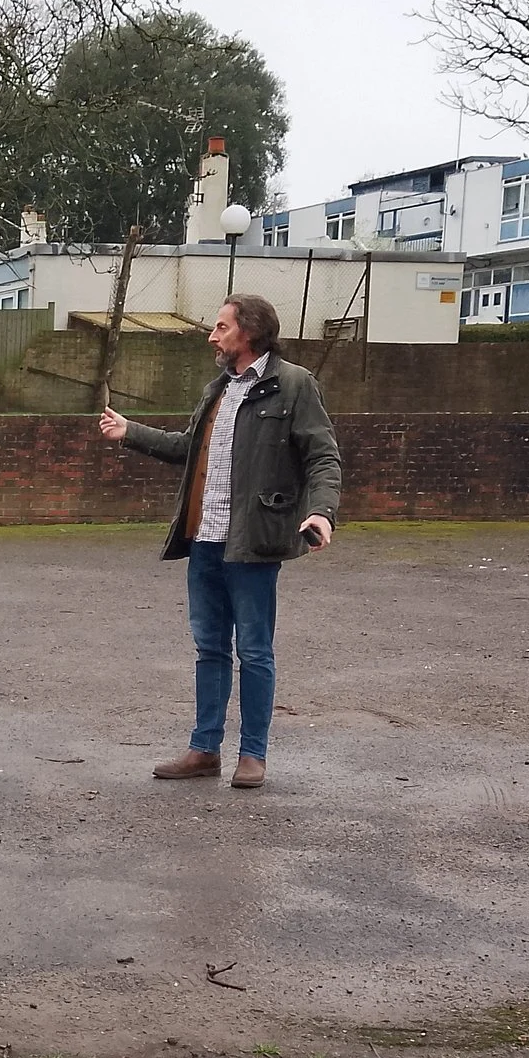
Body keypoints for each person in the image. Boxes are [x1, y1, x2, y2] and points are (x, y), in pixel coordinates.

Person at [99, 293, 340, 790]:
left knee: (254, 651)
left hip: (253, 542)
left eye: (221, 327)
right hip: (205, 540)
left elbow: (323, 456)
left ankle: (253, 755)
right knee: (210, 648)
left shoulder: (293, 385)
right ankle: (204, 749)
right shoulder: (218, 390)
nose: (213, 335)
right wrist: (129, 431)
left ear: (248, 333)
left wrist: (320, 511)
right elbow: (188, 449)